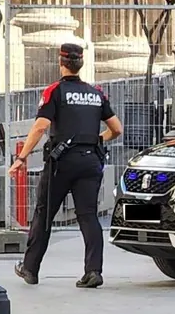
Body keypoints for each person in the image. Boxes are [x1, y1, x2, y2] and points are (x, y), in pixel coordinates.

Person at [9, 43, 123, 288]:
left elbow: (40, 126)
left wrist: (21, 158)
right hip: (91, 162)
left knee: (44, 214)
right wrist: (94, 139)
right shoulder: (96, 93)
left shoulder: (55, 91)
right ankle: (93, 271)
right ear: (80, 63)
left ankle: (30, 269)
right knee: (88, 216)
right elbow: (117, 129)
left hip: (62, 163)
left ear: (61, 63)